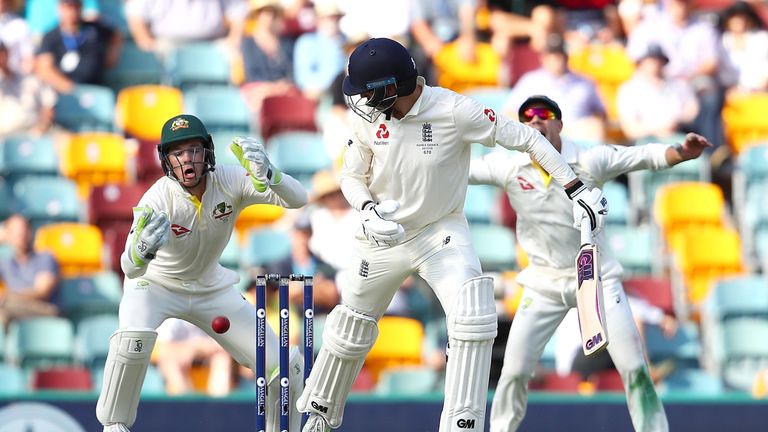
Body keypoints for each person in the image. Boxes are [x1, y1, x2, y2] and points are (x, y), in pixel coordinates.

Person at [296, 37, 608, 432]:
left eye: (367, 92)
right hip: (384, 233)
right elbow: (351, 176)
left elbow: (528, 138)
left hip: (440, 232)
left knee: (474, 313)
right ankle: (320, 416)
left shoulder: (455, 110)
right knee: (352, 320)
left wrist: (575, 188)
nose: (359, 102)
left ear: (391, 88)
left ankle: (462, 424)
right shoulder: (366, 117)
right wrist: (367, 209)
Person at [470, 95, 712, 432]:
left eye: (545, 114)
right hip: (543, 283)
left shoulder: (588, 159)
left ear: (560, 123)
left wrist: (681, 152)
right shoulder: (509, 165)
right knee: (513, 372)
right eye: (528, 116)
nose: (536, 120)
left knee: (636, 371)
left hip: (595, 280)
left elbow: (642, 156)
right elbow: (460, 173)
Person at [95, 114, 308, 432]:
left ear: (207, 152)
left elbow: (299, 199)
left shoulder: (230, 179)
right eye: (177, 153)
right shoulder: (157, 198)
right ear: (166, 160)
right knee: (132, 340)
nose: (187, 160)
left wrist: (272, 174)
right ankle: (114, 426)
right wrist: (140, 250)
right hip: (155, 286)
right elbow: (130, 267)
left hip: (211, 287)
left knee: (285, 368)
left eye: (193, 150)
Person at [35, 0, 122, 94]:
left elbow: (116, 35)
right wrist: (70, 88)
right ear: (59, 9)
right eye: (68, 7)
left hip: (94, 88)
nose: (72, 12)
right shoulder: (51, 37)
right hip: (64, 92)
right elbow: (44, 68)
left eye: (75, 7)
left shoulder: (95, 28)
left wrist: (111, 55)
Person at [0, 213, 60, 328]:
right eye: (15, 231)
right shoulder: (6, 263)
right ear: (7, 235)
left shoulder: (45, 257)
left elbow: (42, 292)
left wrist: (9, 297)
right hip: (13, 310)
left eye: (24, 229)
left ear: (30, 231)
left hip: (46, 311)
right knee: (2, 314)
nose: (21, 234)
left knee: (3, 306)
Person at [153, 318, 235, 397]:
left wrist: (195, 349)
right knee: (168, 359)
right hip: (180, 362)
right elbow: (162, 347)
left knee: (221, 358)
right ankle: (185, 406)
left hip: (207, 359)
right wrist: (187, 349)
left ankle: (218, 406)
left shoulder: (214, 314)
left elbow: (227, 345)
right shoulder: (173, 318)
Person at [0, 41, 57, 138]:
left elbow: (48, 105)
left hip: (33, 134)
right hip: (4, 138)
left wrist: (42, 127)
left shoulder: (29, 78)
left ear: (7, 52)